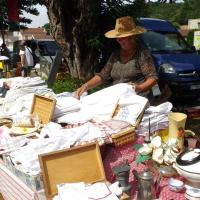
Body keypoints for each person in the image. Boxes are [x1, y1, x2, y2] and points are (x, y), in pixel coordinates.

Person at [75, 16, 158, 102]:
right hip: (117, 97)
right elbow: (103, 75)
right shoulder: (115, 55)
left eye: (123, 37)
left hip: (137, 97)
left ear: (132, 37)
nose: (119, 40)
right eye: (118, 38)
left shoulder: (142, 54)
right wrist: (86, 86)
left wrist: (139, 88)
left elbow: (152, 78)